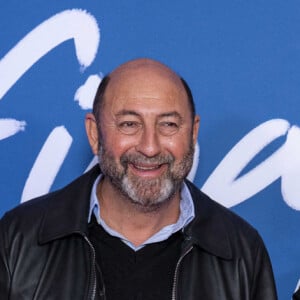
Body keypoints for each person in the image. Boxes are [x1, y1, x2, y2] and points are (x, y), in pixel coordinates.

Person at [0, 58, 277, 299]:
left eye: (168, 124)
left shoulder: (240, 251)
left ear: (192, 134)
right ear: (95, 134)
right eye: (129, 124)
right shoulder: (19, 239)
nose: (149, 147)